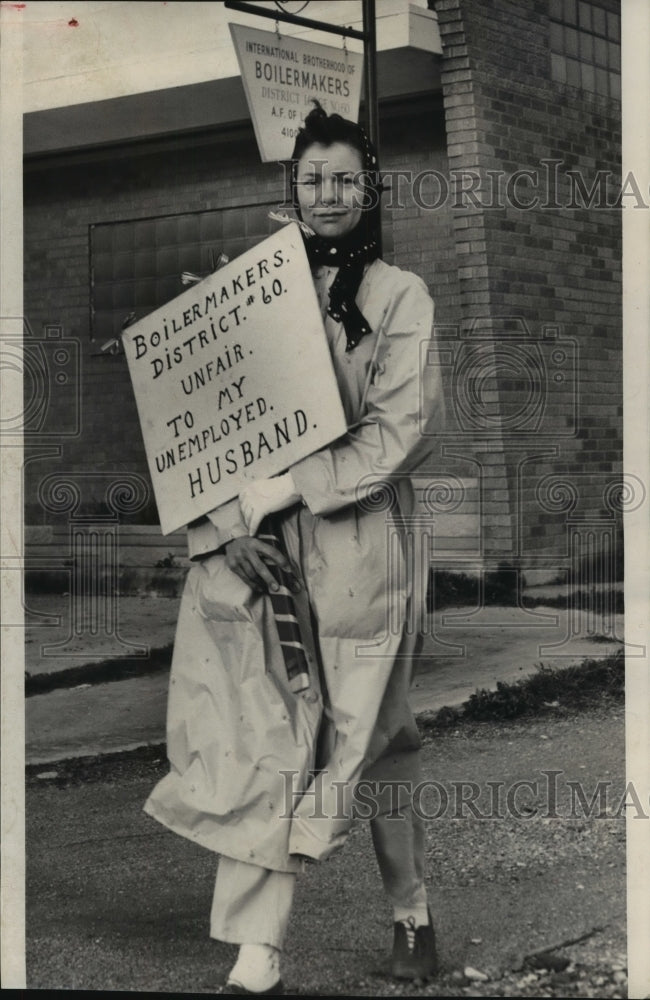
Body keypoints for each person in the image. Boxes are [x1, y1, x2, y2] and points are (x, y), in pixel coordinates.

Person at [144, 102, 445, 995]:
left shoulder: (399, 297)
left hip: (361, 550)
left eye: (344, 177)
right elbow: (204, 429)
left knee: (374, 736)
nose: (327, 194)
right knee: (266, 732)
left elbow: (402, 432)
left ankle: (411, 911)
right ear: (291, 187)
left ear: (370, 186)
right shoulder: (248, 290)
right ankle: (260, 949)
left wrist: (286, 487)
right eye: (311, 179)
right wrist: (226, 528)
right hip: (262, 552)